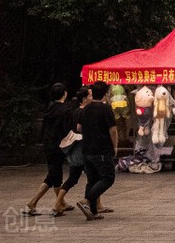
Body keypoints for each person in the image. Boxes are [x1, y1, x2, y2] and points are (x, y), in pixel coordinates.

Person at [25, 83, 72, 216]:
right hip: (59, 146)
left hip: (48, 145)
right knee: (53, 176)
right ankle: (35, 202)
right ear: (65, 94)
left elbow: (44, 129)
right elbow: (67, 130)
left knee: (55, 174)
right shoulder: (66, 110)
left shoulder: (49, 109)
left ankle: (61, 202)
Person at [77, 81, 118, 221]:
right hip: (101, 149)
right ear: (105, 94)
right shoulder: (105, 109)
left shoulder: (85, 109)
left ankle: (92, 212)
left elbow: (79, 128)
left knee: (92, 180)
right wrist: (115, 146)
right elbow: (113, 130)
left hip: (86, 149)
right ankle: (86, 200)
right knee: (108, 178)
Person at [52, 87, 92, 216]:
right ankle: (90, 203)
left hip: (77, 149)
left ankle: (58, 203)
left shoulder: (75, 112)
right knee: (92, 177)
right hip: (83, 149)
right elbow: (79, 128)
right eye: (90, 95)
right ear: (84, 99)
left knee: (73, 178)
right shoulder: (83, 112)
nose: (92, 97)